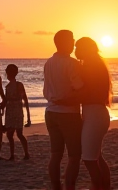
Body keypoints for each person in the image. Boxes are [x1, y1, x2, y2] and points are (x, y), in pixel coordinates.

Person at [56, 37, 111, 190]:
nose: (74, 50)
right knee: (97, 158)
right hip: (96, 114)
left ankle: (99, 187)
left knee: (89, 160)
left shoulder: (90, 67)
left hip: (94, 115)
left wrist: (65, 100)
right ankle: (105, 186)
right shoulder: (96, 65)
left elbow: (86, 94)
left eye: (77, 47)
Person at [43, 30, 84, 190]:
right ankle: (69, 187)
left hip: (51, 111)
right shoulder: (71, 63)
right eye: (72, 40)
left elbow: (47, 89)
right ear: (64, 42)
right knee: (74, 155)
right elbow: (79, 87)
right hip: (68, 113)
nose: (74, 43)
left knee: (55, 154)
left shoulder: (49, 62)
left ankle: (56, 186)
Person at [3, 64, 31, 160]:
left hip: (17, 111)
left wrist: (29, 117)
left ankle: (26, 153)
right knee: (10, 134)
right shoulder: (7, 86)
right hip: (10, 111)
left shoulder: (19, 85)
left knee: (18, 134)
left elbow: (25, 100)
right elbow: (5, 101)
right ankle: (12, 155)